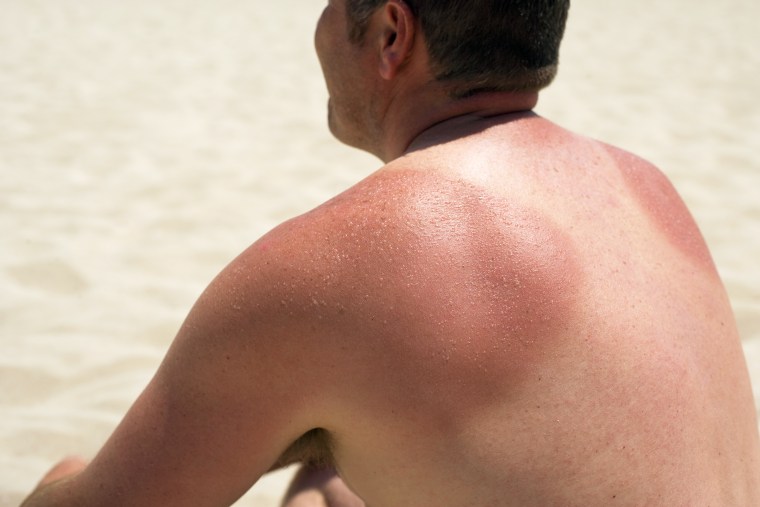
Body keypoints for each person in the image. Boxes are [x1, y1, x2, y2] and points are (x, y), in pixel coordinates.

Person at [22, 0, 760, 505]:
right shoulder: (650, 193)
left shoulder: (341, 266)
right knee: (329, 481)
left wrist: (60, 480)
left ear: (390, 35)